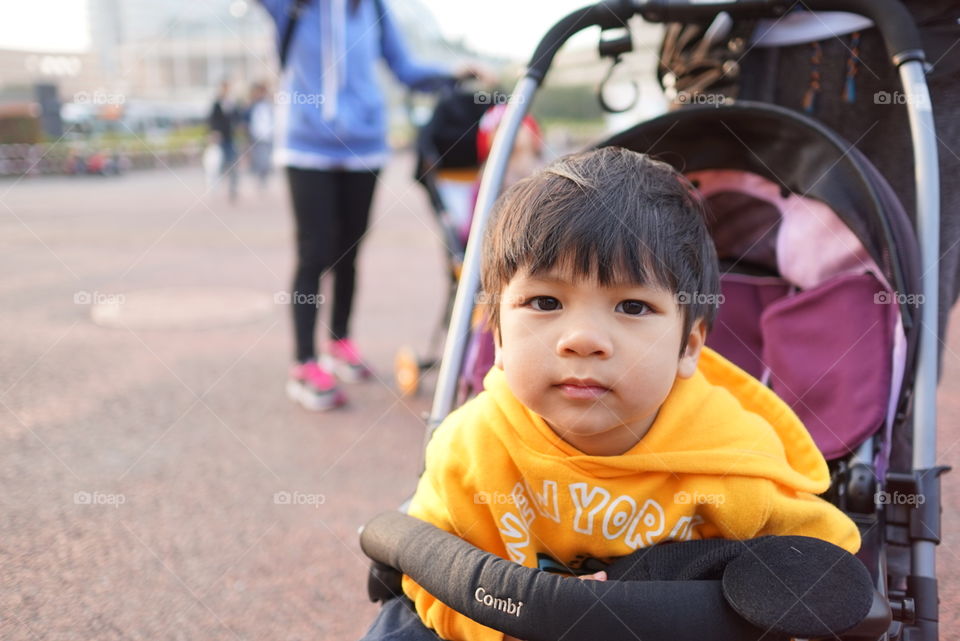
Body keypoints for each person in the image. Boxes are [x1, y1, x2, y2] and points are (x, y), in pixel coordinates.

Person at [360, 147, 861, 641]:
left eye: (633, 307)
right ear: (498, 339)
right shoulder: (472, 448)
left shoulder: (733, 463)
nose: (582, 339)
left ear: (688, 347)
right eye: (545, 301)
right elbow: (428, 577)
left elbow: (826, 568)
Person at [256, 0, 487, 411]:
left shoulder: (371, 7)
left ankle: (340, 342)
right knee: (314, 252)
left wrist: (452, 74)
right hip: (306, 146)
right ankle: (304, 362)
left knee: (349, 250)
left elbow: (404, 69)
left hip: (365, 146)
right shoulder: (291, 5)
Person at [208, 80, 242, 202]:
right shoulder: (217, 104)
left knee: (233, 164)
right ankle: (215, 186)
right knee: (219, 165)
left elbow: (238, 117)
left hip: (231, 138)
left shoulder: (233, 103)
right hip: (220, 139)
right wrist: (214, 132)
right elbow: (212, 120)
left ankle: (233, 189)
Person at [247, 81, 274, 191]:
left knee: (265, 160)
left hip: (268, 135)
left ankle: (263, 179)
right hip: (256, 136)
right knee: (259, 159)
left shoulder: (268, 104)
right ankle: (260, 179)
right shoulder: (253, 105)